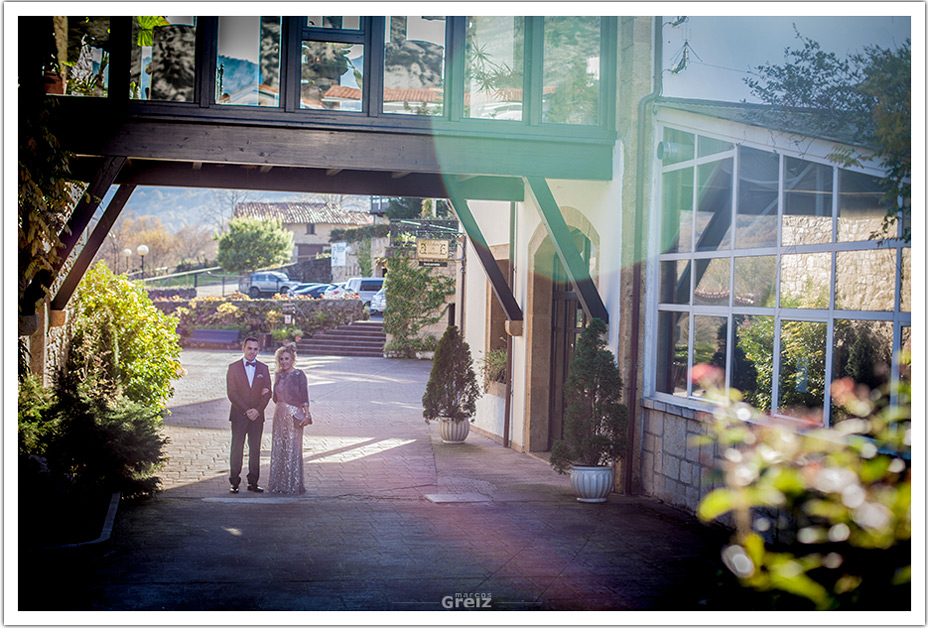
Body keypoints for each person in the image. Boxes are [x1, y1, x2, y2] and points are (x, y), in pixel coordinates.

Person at [226, 337, 271, 494]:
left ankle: (253, 482)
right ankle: (234, 482)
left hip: (257, 416)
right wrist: (246, 410)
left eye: (255, 349)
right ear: (243, 349)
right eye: (249, 348)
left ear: (258, 350)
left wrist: (257, 410)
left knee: (255, 449)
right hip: (239, 414)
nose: (252, 352)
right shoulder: (233, 368)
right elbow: (232, 393)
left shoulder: (263, 369)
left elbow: (267, 392)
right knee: (237, 448)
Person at [268, 344, 312, 495]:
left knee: (292, 449)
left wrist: (307, 415)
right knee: (279, 448)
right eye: (281, 359)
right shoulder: (278, 375)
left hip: (294, 415)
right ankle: (279, 484)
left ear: (293, 359)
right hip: (279, 414)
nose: (284, 361)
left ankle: (292, 485)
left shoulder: (299, 375)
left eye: (287, 358)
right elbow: (275, 397)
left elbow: (304, 396)